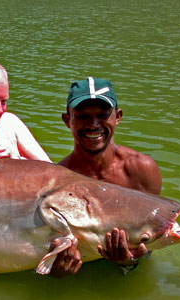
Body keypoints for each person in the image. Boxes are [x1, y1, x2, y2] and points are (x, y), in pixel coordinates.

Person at [51, 77, 163, 277]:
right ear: (67, 120)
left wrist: (130, 260)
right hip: (80, 274)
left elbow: (152, 242)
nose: (94, 125)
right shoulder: (57, 179)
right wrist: (55, 270)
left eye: (103, 115)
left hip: (126, 277)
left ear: (117, 117)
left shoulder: (141, 170)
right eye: (83, 116)